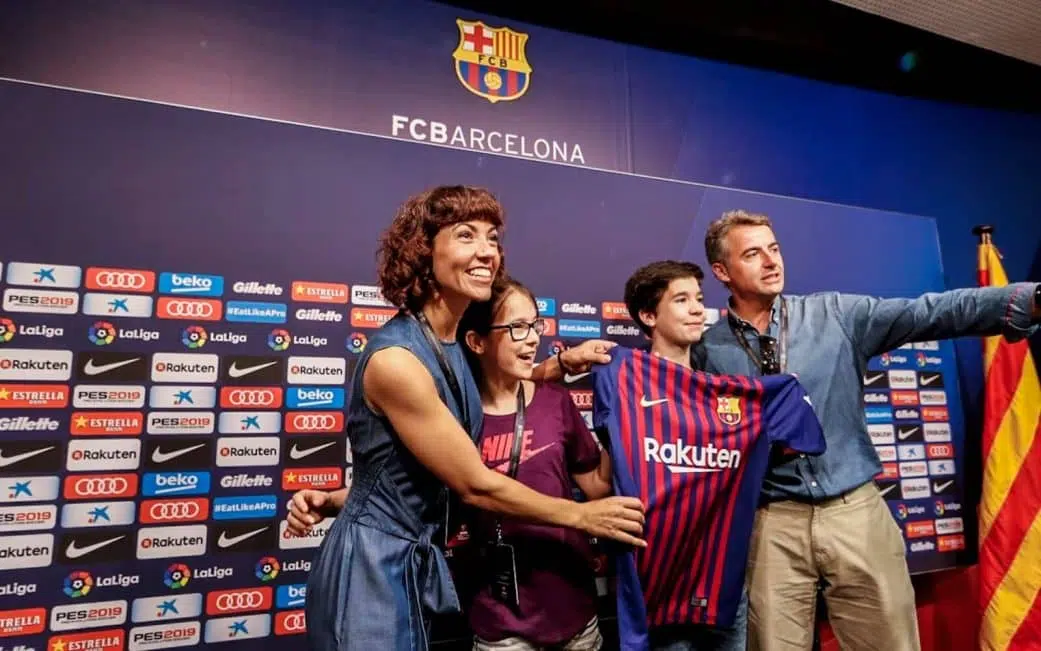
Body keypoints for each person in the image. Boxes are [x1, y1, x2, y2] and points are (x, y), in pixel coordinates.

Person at [296, 185, 646, 651]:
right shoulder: (397, 361)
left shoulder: (451, 345)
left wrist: (558, 365)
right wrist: (582, 515)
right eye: (466, 236)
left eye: (493, 238)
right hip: (371, 568)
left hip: (412, 562)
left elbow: (486, 396)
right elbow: (474, 483)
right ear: (424, 251)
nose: (486, 251)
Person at [694, 210, 1041, 651]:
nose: (771, 261)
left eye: (775, 249)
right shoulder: (708, 350)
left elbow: (933, 312)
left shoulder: (836, 313)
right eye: (752, 254)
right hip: (771, 522)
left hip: (854, 511)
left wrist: (1029, 299)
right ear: (722, 271)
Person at [594, 260, 824, 651]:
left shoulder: (736, 396)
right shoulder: (618, 376)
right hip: (654, 587)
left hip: (721, 589)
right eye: (681, 300)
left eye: (699, 298)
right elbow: (607, 470)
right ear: (649, 315)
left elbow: (801, 432)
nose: (698, 308)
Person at [456, 276, 612, 650]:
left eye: (535, 325)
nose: (532, 338)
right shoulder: (455, 416)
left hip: (575, 616)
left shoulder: (553, 400)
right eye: (517, 327)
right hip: (502, 624)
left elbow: (595, 486)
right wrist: (333, 501)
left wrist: (619, 431)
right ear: (477, 341)